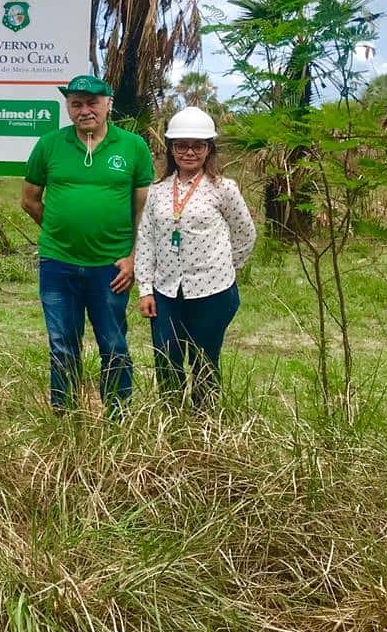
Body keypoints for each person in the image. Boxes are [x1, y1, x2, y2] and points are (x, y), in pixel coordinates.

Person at [21, 74, 154, 415]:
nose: (84, 111)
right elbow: (30, 200)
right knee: (62, 344)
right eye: (76, 104)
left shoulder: (133, 147)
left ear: (109, 103)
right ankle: (64, 414)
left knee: (113, 344)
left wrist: (133, 258)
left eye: (92, 102)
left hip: (111, 268)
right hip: (58, 264)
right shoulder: (49, 144)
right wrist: (59, 231)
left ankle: (118, 415)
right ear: (68, 107)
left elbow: (144, 210)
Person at [135, 107, 256, 406]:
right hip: (165, 292)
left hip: (212, 291)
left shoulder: (224, 189)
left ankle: (205, 426)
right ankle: (173, 423)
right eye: (181, 145)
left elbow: (245, 233)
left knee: (204, 361)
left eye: (197, 145)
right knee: (167, 359)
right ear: (171, 149)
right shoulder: (158, 191)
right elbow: (146, 240)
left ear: (209, 149)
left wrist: (226, 268)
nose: (189, 152)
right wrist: (145, 290)